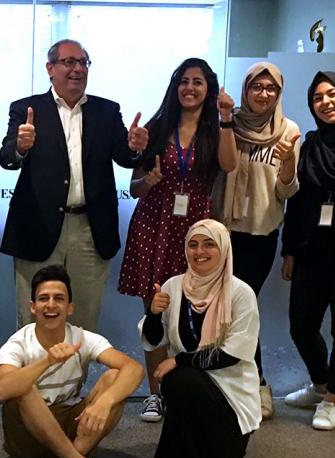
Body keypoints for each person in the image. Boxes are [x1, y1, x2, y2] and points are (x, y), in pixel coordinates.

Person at [0, 39, 148, 332]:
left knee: (83, 322)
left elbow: (125, 158)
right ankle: (33, 379)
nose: (78, 69)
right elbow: (7, 159)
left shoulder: (106, 111)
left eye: (83, 62)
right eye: (69, 62)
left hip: (89, 231)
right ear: (50, 68)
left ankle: (74, 380)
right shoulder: (26, 109)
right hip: (37, 229)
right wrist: (20, 145)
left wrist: (135, 148)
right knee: (34, 321)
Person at [117, 58, 237, 423]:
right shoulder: (157, 128)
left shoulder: (216, 130)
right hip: (154, 228)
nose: (190, 87)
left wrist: (227, 118)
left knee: (195, 314)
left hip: (196, 233)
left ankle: (187, 391)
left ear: (208, 88)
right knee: (155, 312)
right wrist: (147, 181)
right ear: (175, 86)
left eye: (198, 82)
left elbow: (229, 166)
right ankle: (155, 395)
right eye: (184, 81)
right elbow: (135, 187)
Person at [0, 265, 143, 458]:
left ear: (69, 308)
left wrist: (105, 403)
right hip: (27, 438)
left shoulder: (82, 338)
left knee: (114, 379)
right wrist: (47, 361)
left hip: (68, 424)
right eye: (44, 298)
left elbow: (134, 369)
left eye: (59, 299)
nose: (51, 305)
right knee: (22, 386)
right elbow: (1, 389)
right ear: (33, 307)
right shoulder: (19, 342)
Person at [141, 219, 260, 458]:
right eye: (192, 245)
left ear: (224, 249)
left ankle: (214, 451)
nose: (199, 252)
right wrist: (153, 314)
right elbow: (153, 339)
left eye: (209, 244)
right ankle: (187, 451)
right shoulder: (173, 286)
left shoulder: (240, 293)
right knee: (180, 380)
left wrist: (179, 361)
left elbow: (232, 354)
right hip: (193, 384)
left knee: (180, 377)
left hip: (231, 392)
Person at [219, 62, 301, 420]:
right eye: (257, 86)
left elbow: (287, 190)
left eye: (271, 88)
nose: (263, 93)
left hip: (261, 235)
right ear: (246, 89)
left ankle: (257, 383)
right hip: (223, 233)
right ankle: (223, 381)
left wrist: (285, 164)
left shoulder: (289, 130)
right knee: (218, 309)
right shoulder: (227, 125)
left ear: (279, 93)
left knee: (244, 310)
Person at [281, 71, 335, 431]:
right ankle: (321, 382)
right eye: (318, 98)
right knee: (301, 325)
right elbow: (296, 202)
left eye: (332, 95)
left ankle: (333, 398)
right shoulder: (310, 144)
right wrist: (290, 251)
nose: (326, 102)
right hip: (313, 250)